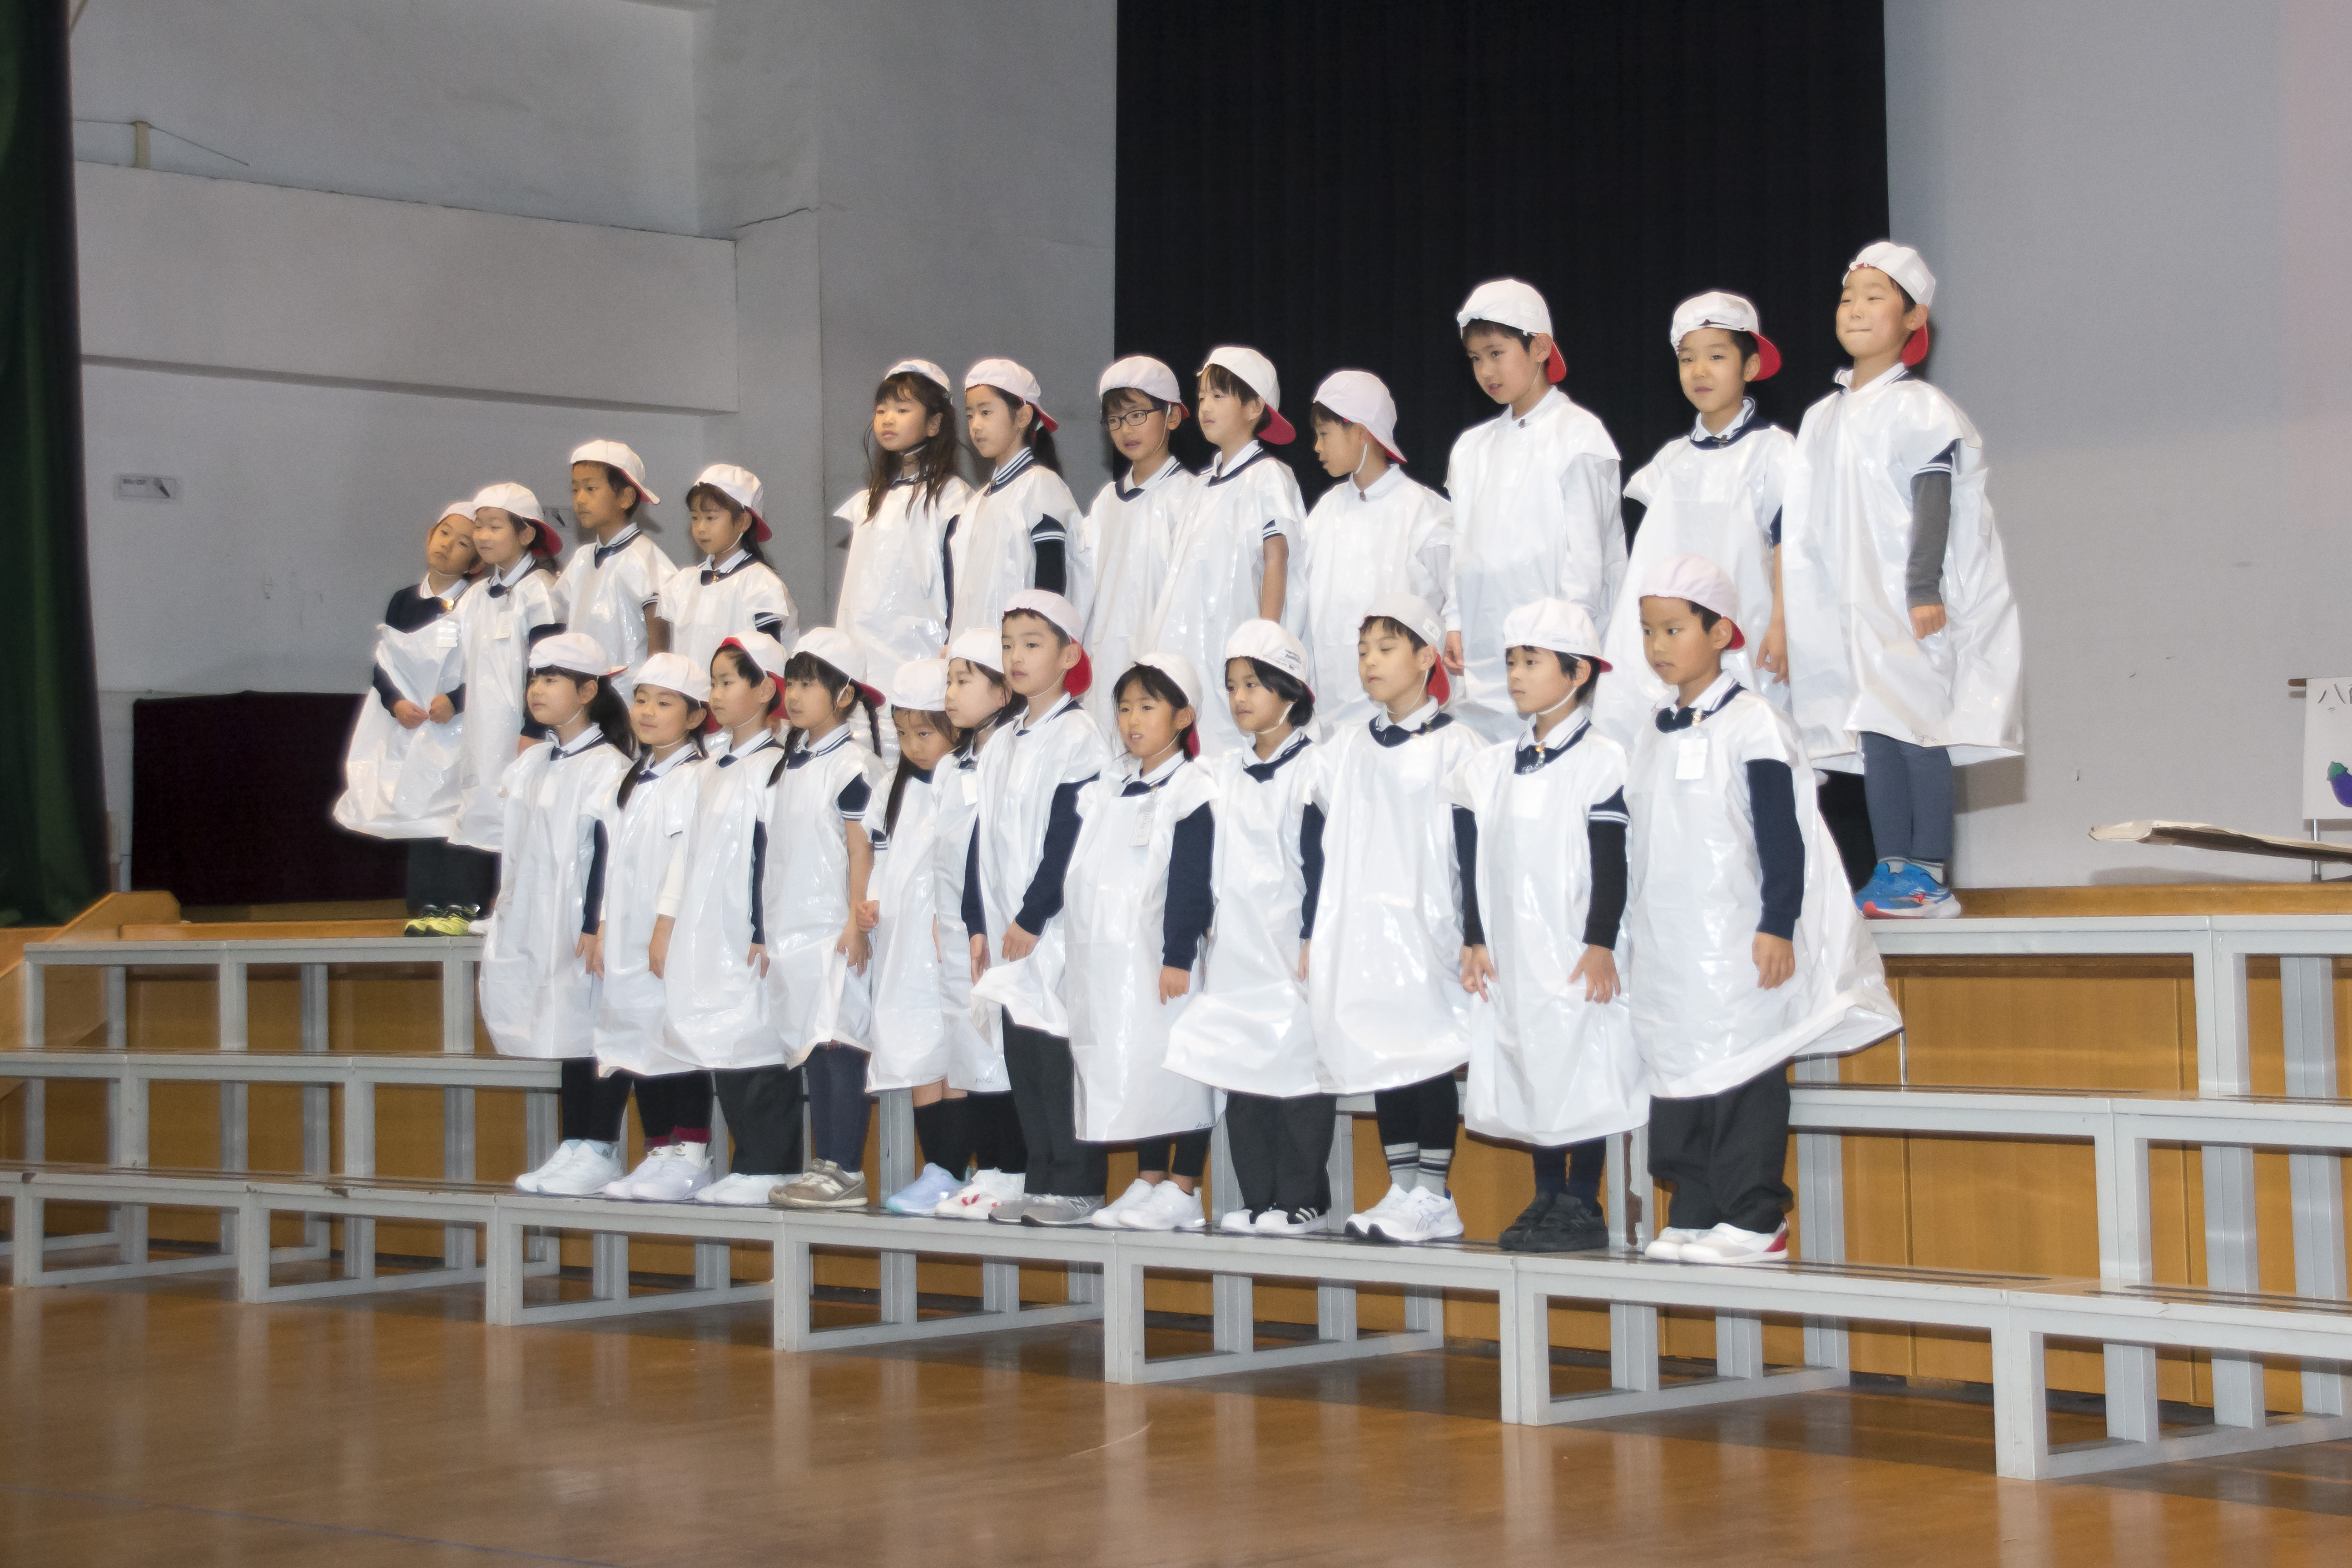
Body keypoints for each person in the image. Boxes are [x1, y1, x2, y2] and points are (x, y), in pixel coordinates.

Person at [1623, 556, 1900, 1264]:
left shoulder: (1755, 724)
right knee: (1678, 1062)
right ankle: (1694, 1203)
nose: (1658, 645)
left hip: (1736, 933)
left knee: (1741, 1066)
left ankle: (1753, 1215)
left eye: (1674, 629)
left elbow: (1783, 835)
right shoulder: (1651, 729)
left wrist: (1777, 923)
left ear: (1720, 633)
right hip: (1671, 937)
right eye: (1648, 631)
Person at [1778, 243, 2023, 918]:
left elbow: (1933, 501)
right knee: (1876, 732)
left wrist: (1922, 589)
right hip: (1850, 606)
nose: (1855, 309)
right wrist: (1797, 613)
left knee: (1918, 729)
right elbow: (1805, 526)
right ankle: (1891, 868)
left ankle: (1928, 872)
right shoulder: (1822, 417)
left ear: (1913, 318)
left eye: (1874, 297)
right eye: (1847, 297)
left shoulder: (1919, 407)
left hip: (1904, 604)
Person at [1449, 599, 1641, 1253]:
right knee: (1532, 1057)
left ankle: (1582, 1199)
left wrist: (1600, 941)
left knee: (1581, 1061)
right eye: (1511, 661)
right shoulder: (1493, 768)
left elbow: (1610, 862)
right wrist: (1475, 936)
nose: (1515, 675)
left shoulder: (1603, 760)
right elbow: (1476, 863)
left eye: (1531, 662)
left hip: (1576, 946)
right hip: (1516, 948)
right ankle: (1546, 1193)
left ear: (1578, 672)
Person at [1303, 594, 1484, 1245]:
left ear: (1426, 656)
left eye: (1385, 648)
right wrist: (1312, 928)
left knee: (1425, 1052)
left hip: (1427, 925)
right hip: (1366, 929)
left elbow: (1474, 848)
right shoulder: (1348, 747)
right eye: (1362, 652)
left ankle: (1434, 1194)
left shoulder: (1458, 744)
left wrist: (1475, 932)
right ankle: (1402, 1186)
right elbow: (1315, 835)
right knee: (1383, 1050)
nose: (1370, 662)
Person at [1163, 620, 1333, 1234]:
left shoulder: (1316, 769)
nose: (1238, 697)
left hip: (1291, 948)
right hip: (1236, 949)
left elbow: (1321, 862)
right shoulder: (1219, 774)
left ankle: (1303, 1198)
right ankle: (1258, 1197)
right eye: (1232, 685)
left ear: (1291, 690)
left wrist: (1314, 934)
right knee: (1242, 1074)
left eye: (1253, 684)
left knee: (1297, 1075)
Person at [965, 591, 1111, 1226]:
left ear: (1069, 655)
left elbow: (1070, 837)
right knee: (1023, 1055)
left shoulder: (1080, 738)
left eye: (1032, 643)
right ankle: (1041, 1176)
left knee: (1060, 1055)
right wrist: (978, 921)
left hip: (1052, 930)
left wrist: (1034, 913)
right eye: (1008, 645)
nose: (1016, 657)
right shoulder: (1001, 741)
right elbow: (982, 838)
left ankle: (1078, 1183)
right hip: (1009, 931)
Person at [1593, 294, 1794, 750]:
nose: (1700, 370)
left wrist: (1782, 622)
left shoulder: (1772, 451)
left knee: (1746, 737)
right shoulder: (1671, 460)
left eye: (1716, 357)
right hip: (1667, 631)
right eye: (1687, 359)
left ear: (1750, 365)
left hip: (1745, 620)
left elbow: (1790, 543)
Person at [475, 631, 635, 1194]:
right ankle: (575, 1141)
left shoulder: (607, 766)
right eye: (533, 678)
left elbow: (609, 853)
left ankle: (600, 1144)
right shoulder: (535, 762)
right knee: (567, 1030)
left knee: (594, 1029)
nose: (536, 690)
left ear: (588, 691)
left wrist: (596, 924)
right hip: (540, 919)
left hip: (583, 925)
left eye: (551, 679)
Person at [1067, 654, 1217, 1232]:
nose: (1132, 719)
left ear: (1183, 716)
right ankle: (1149, 1177)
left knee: (1180, 1069)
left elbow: (1191, 880)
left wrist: (1177, 955)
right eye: (1125, 707)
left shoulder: (1192, 787)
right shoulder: (1112, 786)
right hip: (1120, 961)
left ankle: (1185, 1185)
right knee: (1141, 1066)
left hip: (1168, 959)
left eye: (1147, 707)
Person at [1444, 278, 1625, 743]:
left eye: (1496, 353)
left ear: (1540, 347)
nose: (1486, 370)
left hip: (1551, 652)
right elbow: (1459, 544)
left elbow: (1588, 558)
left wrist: (1566, 642)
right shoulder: (1470, 448)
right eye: (1475, 359)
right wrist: (1454, 620)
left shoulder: (1578, 435)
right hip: (1484, 650)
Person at [656, 633, 802, 1206]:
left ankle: (769, 1164)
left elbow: (774, 856)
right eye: (713, 682)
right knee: (723, 1035)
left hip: (749, 930)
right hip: (708, 926)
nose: (715, 694)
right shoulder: (710, 768)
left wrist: (763, 928)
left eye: (727, 681)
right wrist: (667, 920)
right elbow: (685, 854)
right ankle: (748, 1160)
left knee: (757, 1041)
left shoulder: (774, 767)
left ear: (766, 690)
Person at [586, 651, 719, 1201]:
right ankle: (659, 1147)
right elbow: (611, 861)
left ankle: (691, 1153)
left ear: (696, 715)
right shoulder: (632, 777)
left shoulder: (696, 777)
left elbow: (687, 860)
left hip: (669, 929)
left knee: (674, 1035)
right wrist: (601, 925)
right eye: (641, 699)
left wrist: (666, 925)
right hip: (627, 929)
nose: (647, 711)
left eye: (665, 702)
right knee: (636, 1035)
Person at [764, 628, 890, 1211]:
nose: (794, 694)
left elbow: (860, 847)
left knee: (840, 1042)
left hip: (836, 928)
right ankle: (824, 1162)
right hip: (795, 927)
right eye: (791, 682)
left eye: (809, 684)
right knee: (813, 1043)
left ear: (845, 695)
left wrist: (854, 922)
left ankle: (845, 1167)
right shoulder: (791, 763)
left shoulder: (854, 763)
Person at [1136, 346, 1305, 758]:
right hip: (1183, 640)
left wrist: (1264, 645)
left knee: (1228, 743)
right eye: (1201, 398)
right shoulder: (1198, 486)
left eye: (1218, 396)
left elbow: (1276, 559)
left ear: (1254, 407)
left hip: (1232, 637)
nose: (1205, 407)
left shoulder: (1268, 476)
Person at [332, 500, 483, 935]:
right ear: (430, 535)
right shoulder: (404, 601)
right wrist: (396, 702)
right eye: (445, 534)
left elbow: (489, 671)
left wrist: (455, 700)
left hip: (457, 727)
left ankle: (463, 904)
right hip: (411, 726)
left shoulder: (476, 604)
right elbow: (385, 664)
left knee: (455, 813)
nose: (448, 546)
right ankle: (425, 904)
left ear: (475, 563)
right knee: (417, 810)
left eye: (463, 544)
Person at [929, 628, 1034, 1219]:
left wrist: (976, 919)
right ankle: (989, 1166)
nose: (950, 693)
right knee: (970, 1047)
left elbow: (984, 851)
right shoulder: (954, 763)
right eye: (949, 680)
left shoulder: (1010, 755)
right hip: (956, 929)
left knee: (1000, 1046)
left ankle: (1012, 1169)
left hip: (992, 924)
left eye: (964, 680)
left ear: (1002, 692)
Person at [864, 658, 969, 1215]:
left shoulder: (966, 782)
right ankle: (938, 1166)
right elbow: (881, 856)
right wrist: (872, 901)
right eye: (903, 734)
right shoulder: (893, 787)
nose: (913, 746)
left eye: (925, 733)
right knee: (916, 1048)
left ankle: (953, 1165)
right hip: (904, 938)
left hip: (948, 932)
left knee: (954, 1050)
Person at [1297, 371, 1453, 730]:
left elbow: (1457, 604)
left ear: (1361, 432)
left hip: (1405, 715)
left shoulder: (1423, 511)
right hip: (1330, 714)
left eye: (1324, 434)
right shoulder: (1325, 511)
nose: (1317, 447)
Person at [834, 360, 970, 763]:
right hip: (862, 658)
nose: (888, 419)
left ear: (935, 423)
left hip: (919, 653)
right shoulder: (869, 501)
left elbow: (958, 582)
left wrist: (952, 644)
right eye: (881, 410)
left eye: (902, 409)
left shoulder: (951, 497)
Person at [449, 483, 566, 870]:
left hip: (525, 731)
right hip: (483, 731)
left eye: (495, 526)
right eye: (479, 526)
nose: (482, 535)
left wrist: (534, 728)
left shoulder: (540, 591)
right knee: (486, 818)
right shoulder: (475, 596)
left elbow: (549, 667)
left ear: (526, 534)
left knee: (525, 821)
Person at [1080, 356, 1195, 735]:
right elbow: (1084, 589)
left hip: (1162, 665)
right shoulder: (1105, 503)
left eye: (1137, 415)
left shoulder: (1190, 497)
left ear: (1172, 416)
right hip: (1105, 666)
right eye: (1114, 420)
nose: (1125, 429)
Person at [948, 359, 1085, 642]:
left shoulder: (1040, 485)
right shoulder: (978, 501)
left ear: (1022, 417)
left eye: (986, 412)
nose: (976, 425)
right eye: (970, 415)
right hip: (975, 653)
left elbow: (1050, 583)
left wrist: (1035, 643)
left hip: (1019, 652)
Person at [557, 440, 673, 703]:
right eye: (575, 490)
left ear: (626, 497)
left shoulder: (645, 557)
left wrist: (650, 697)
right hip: (581, 697)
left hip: (628, 698)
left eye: (591, 489)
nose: (580, 499)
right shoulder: (581, 559)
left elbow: (659, 638)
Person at [658, 464, 795, 679]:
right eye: (695, 517)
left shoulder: (762, 584)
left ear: (743, 521)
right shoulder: (682, 582)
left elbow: (769, 664)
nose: (701, 528)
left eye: (711, 518)